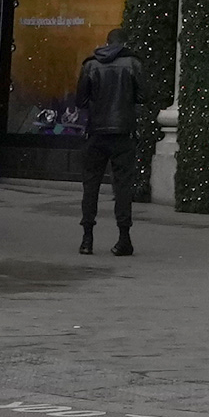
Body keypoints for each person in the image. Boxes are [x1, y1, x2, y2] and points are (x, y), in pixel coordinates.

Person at [72, 26, 150, 254]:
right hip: (123, 133)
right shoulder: (133, 64)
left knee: (91, 186)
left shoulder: (91, 64)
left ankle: (87, 238)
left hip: (96, 132)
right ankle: (123, 238)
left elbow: (80, 100)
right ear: (124, 44)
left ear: (107, 43)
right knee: (123, 186)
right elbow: (144, 96)